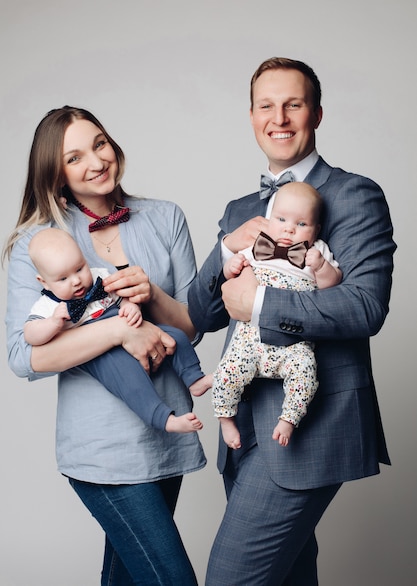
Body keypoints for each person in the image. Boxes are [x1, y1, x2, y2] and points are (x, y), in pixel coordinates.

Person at [188, 57, 396, 585]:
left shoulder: (355, 194)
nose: (278, 117)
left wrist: (259, 304)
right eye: (266, 106)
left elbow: (364, 307)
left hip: (310, 427)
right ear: (252, 116)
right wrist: (223, 248)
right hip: (243, 430)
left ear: (316, 114)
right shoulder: (240, 208)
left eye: (293, 104)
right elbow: (200, 314)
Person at [5, 106, 207, 585]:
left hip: (166, 437)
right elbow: (23, 356)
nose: (96, 161)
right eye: (74, 157)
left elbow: (193, 326)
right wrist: (118, 330)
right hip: (101, 449)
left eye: (100, 144)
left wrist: (151, 294)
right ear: (56, 174)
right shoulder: (38, 243)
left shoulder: (165, 217)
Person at [25, 227, 211, 434]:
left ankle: (194, 378)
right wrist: (52, 323)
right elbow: (30, 334)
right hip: (99, 350)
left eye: (79, 268)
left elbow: (124, 296)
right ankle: (164, 419)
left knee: (174, 336)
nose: (76, 280)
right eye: (62, 279)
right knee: (129, 376)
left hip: (133, 328)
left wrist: (130, 307)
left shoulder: (99, 278)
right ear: (44, 282)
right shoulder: (47, 305)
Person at [212, 181, 342, 449]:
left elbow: (332, 283)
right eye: (281, 219)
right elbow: (229, 278)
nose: (289, 228)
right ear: (268, 221)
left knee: (306, 371)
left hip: (294, 343)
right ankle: (226, 418)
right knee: (229, 371)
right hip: (250, 337)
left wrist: (320, 266)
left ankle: (289, 420)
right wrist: (232, 265)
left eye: (301, 224)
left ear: (316, 230)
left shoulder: (317, 251)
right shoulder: (258, 246)